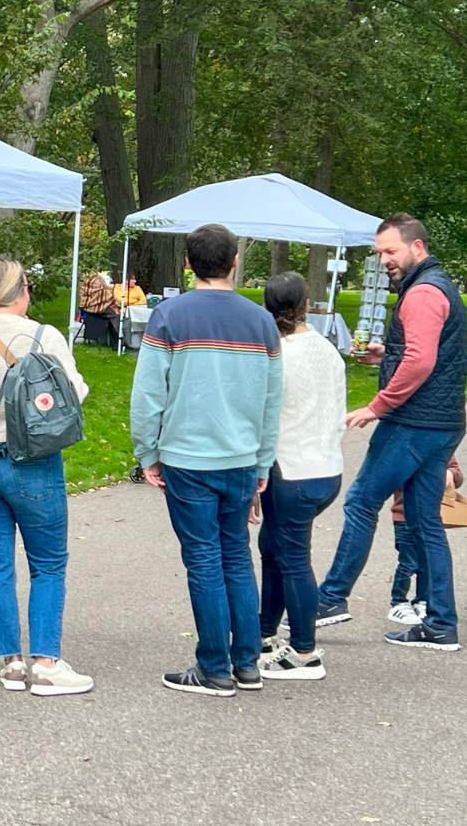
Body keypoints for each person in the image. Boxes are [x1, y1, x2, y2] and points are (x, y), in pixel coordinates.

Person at [131, 223, 282, 697]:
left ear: (188, 264)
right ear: (235, 262)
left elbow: (148, 394)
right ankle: (247, 663)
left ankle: (214, 667)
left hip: (188, 457)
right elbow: (272, 401)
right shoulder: (262, 321)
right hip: (239, 458)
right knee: (236, 556)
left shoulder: (170, 315)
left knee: (203, 560)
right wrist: (263, 463)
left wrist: (146, 451)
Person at [314, 213, 467, 651]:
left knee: (363, 500)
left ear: (416, 248)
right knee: (425, 523)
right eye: (380, 252)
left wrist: (377, 406)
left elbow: (421, 362)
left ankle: (329, 600)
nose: (384, 260)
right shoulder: (436, 285)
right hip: (441, 424)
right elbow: (422, 353)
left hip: (412, 424)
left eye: (391, 251)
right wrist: (388, 354)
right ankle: (441, 624)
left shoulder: (421, 293)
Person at [0, 259, 94, 696]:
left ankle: (11, 662)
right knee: (48, 564)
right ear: (22, 291)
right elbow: (76, 391)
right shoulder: (42, 336)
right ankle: (47, 663)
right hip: (29, 458)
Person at [254, 272, 345, 681]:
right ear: (307, 303)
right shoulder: (328, 351)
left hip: (290, 469)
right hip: (326, 467)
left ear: (266, 308)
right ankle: (264, 633)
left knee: (291, 559)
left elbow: (264, 418)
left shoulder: (276, 357)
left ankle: (305, 652)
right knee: (273, 547)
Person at [386, 458, 462, 626]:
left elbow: (457, 473)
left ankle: (423, 599)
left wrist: (451, 474)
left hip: (430, 518)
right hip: (404, 517)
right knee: (409, 563)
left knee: (428, 563)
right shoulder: (403, 448)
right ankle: (398, 601)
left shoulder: (440, 441)